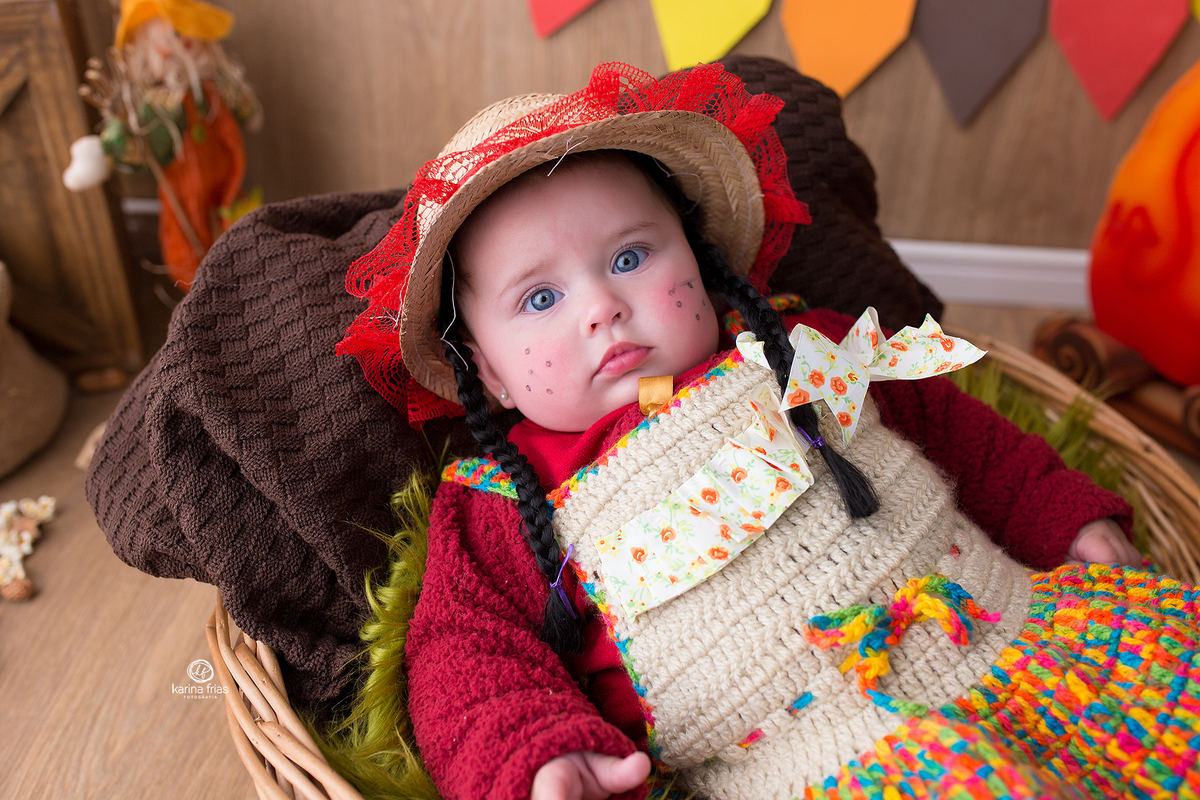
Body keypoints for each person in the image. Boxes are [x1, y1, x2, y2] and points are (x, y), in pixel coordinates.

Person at [337, 63, 1183, 800]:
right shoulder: (502, 499)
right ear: (486, 370)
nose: (601, 307)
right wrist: (538, 755)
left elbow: (963, 435)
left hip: (1016, 629)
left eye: (630, 257)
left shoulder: (798, 347)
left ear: (700, 261)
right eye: (540, 298)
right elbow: (465, 651)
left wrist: (1065, 518)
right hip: (822, 756)